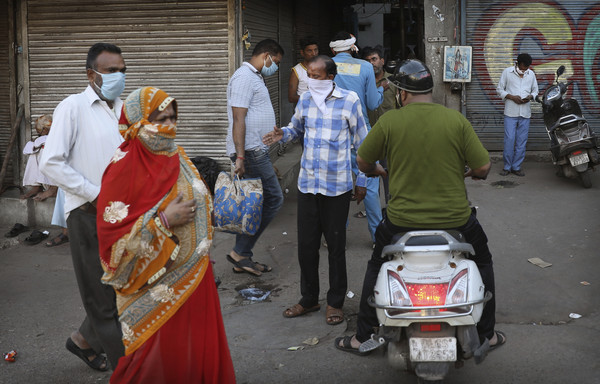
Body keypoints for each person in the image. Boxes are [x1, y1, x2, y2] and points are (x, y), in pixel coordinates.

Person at [335, 59, 505, 354]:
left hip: (402, 222)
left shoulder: (389, 122)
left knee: (377, 264)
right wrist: (471, 172)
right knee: (483, 260)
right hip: (456, 220)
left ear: (402, 93)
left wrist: (377, 170)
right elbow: (483, 167)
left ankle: (362, 337)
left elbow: (363, 161)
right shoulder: (455, 120)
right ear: (430, 90)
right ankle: (486, 335)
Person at [97, 87, 235, 383]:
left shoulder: (178, 155)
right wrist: (162, 221)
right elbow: (112, 243)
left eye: (173, 118)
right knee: (156, 360)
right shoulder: (123, 169)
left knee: (195, 348)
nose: (169, 126)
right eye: (160, 119)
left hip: (195, 275)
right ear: (138, 121)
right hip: (154, 283)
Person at [263, 55, 368, 326]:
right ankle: (308, 298)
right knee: (307, 246)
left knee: (335, 247)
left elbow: (363, 144)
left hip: (337, 187)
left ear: (330, 77)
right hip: (309, 184)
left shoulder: (350, 101)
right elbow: (296, 129)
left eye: (317, 76)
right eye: (309, 75)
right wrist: (281, 134)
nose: (311, 80)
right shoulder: (307, 100)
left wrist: (362, 181)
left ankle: (335, 303)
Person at [40, 42, 126, 371]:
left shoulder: (123, 108)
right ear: (92, 74)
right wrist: (94, 193)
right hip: (88, 215)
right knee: (103, 300)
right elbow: (51, 162)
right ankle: (130, 372)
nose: (119, 76)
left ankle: (83, 341)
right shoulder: (72, 108)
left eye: (123, 70)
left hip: (123, 215)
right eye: (111, 71)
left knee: (121, 288)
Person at [225, 38, 285, 276]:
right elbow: (238, 118)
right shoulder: (243, 77)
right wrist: (240, 156)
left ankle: (242, 253)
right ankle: (241, 252)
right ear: (266, 55)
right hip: (249, 151)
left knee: (256, 202)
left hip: (255, 150)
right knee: (273, 199)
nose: (275, 67)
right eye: (276, 62)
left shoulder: (254, 76)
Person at [330, 31, 385, 246]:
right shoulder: (364, 67)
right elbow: (372, 103)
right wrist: (380, 91)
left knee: (338, 186)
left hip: (334, 134)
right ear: (353, 47)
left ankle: (336, 237)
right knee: (370, 185)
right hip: (361, 132)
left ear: (333, 50)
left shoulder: (325, 65)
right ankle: (377, 237)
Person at [362, 45, 398, 204]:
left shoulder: (394, 81)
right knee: (370, 176)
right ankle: (373, 209)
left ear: (382, 61)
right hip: (368, 136)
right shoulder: (362, 81)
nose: (371, 63)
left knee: (390, 174)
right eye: (368, 60)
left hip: (390, 137)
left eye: (374, 59)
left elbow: (402, 107)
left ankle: (391, 208)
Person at [496, 53, 538, 176]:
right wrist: (511, 97)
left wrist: (530, 96)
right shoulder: (507, 72)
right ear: (518, 63)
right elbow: (499, 89)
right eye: (523, 67)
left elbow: (535, 91)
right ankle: (507, 166)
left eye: (527, 68)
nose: (525, 70)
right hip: (510, 112)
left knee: (521, 141)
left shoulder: (531, 74)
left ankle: (516, 167)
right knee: (509, 140)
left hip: (525, 113)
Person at [21, 114, 57, 201]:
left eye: (39, 131)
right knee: (34, 153)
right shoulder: (43, 138)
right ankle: (37, 186)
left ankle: (53, 189)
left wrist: (37, 143)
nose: (38, 134)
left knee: (45, 154)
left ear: (45, 129)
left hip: (59, 163)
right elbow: (29, 149)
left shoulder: (57, 135)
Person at [288, 36, 319, 104]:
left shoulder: (322, 68)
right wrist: (313, 99)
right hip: (304, 111)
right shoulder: (297, 70)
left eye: (315, 50)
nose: (314, 54)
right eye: (309, 51)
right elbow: (291, 98)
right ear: (302, 52)